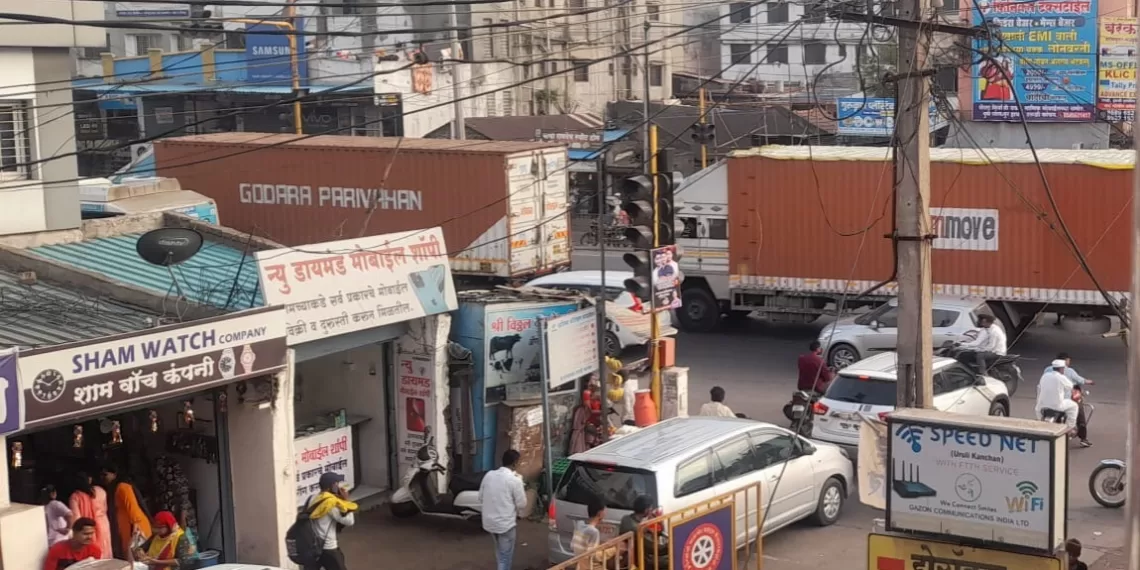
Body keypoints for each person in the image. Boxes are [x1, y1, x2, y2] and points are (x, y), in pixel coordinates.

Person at [479, 449, 527, 570]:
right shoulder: (515, 480)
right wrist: (520, 482)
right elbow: (522, 504)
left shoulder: (489, 475)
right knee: (505, 556)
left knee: (500, 552)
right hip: (506, 525)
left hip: (489, 523)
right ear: (515, 463)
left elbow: (480, 497)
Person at [304, 472, 358, 570]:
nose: (339, 487)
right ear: (333, 486)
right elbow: (350, 521)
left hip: (312, 547)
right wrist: (346, 500)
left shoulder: (312, 498)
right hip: (328, 549)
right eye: (337, 484)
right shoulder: (331, 503)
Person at [101, 463, 152, 561]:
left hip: (134, 528)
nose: (102, 478)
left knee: (136, 561)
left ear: (114, 474)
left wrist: (136, 525)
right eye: (101, 475)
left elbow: (132, 506)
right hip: (127, 527)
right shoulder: (115, 488)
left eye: (105, 474)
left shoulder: (122, 487)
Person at [1046, 352, 1094, 447]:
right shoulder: (1069, 371)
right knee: (1079, 414)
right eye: (1068, 360)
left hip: (1048, 399)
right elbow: (1080, 381)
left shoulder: (1047, 370)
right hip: (1065, 400)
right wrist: (1090, 382)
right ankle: (1083, 438)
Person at [68, 472, 112, 559]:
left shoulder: (75, 497)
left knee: (93, 554)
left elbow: (77, 519)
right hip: (103, 524)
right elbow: (105, 508)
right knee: (106, 550)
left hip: (88, 527)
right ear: (89, 480)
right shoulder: (100, 490)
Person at [619, 495, 667, 570]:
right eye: (650, 508)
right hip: (642, 561)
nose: (652, 510)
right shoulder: (639, 530)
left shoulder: (626, 519)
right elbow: (658, 548)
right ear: (646, 510)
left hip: (631, 557)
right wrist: (660, 523)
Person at [571, 496, 618, 570]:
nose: (606, 514)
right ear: (600, 513)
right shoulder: (594, 532)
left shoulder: (579, 525)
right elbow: (595, 556)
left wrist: (605, 545)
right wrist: (615, 549)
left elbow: (573, 546)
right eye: (605, 511)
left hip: (580, 566)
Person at [1036, 359, 1078, 433]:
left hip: (1041, 406)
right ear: (1062, 369)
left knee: (1039, 417)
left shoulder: (1045, 375)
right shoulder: (1061, 377)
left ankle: (1040, 424)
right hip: (1057, 405)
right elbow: (1070, 386)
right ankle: (1070, 428)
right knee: (1074, 406)